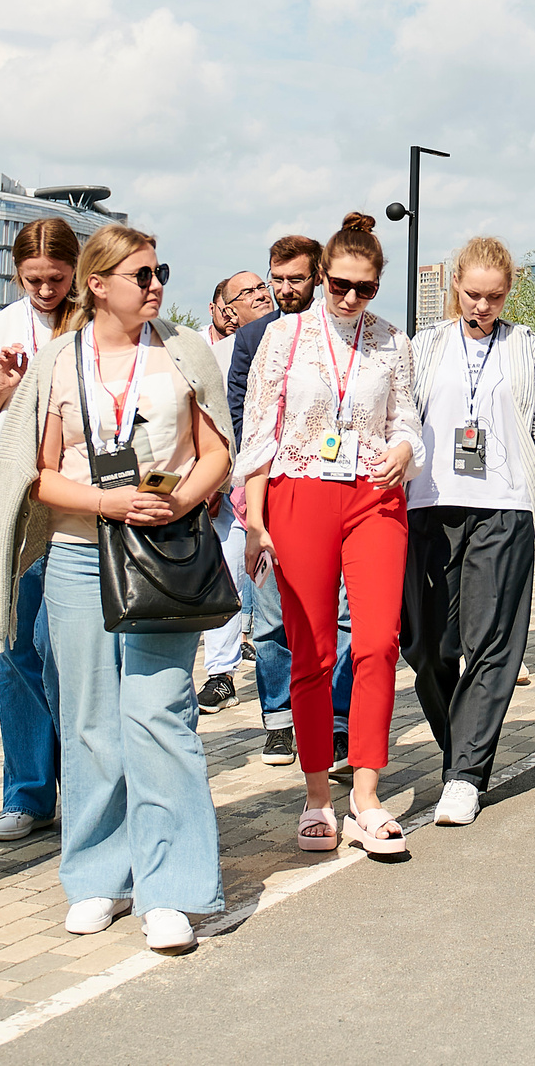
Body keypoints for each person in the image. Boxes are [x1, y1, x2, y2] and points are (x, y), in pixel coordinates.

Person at [17, 224, 235, 951]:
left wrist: (177, 502)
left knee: (159, 710)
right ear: (98, 283)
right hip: (80, 553)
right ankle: (99, 875)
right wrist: (107, 502)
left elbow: (216, 452)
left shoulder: (183, 351)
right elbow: (39, 474)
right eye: (140, 274)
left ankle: (171, 887)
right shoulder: (59, 360)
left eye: (158, 272)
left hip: (165, 550)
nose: (154, 285)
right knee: (89, 718)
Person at [241, 214, 422, 856]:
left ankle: (366, 796)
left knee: (377, 641)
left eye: (365, 288)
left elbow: (407, 421)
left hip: (374, 495)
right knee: (312, 650)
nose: (351, 299)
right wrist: (256, 521)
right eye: (341, 284)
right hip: (299, 492)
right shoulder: (284, 338)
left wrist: (404, 451)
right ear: (322, 276)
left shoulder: (392, 343)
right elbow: (259, 431)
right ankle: (317, 796)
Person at [403, 237, 535, 826]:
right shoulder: (424, 347)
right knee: (427, 645)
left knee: (491, 639)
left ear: (507, 293)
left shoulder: (524, 346)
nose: (482, 307)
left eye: (494, 297)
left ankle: (466, 773)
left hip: (504, 504)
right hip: (430, 504)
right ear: (455, 287)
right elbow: (403, 417)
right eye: (472, 294)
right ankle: (461, 746)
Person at [0, 216, 86, 843]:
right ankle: (26, 790)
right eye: (32, 280)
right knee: (13, 647)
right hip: (12, 510)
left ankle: (84, 785)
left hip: (72, 508)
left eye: (56, 278)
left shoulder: (93, 328)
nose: (45, 290)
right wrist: (4, 390)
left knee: (63, 648)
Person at [226, 236, 344, 764]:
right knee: (272, 613)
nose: (284, 289)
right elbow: (238, 410)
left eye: (295, 279)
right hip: (270, 492)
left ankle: (336, 717)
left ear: (318, 276)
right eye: (277, 279)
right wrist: (252, 487)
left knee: (337, 613)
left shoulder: (343, 329)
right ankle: (278, 718)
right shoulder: (255, 336)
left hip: (333, 487)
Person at [195, 268, 269, 708]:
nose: (260, 294)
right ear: (227, 310)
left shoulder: (286, 341)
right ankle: (221, 675)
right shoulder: (213, 358)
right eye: (248, 292)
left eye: (263, 287)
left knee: (273, 590)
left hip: (275, 487)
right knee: (223, 581)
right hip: (228, 494)